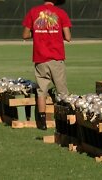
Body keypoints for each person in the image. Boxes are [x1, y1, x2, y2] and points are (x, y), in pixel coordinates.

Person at [22, 0, 71, 130]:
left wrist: (38, 33)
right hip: (56, 57)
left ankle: (42, 122)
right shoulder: (61, 13)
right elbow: (68, 37)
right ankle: (64, 122)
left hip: (40, 58)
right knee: (62, 92)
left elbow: (25, 35)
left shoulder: (33, 11)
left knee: (41, 91)